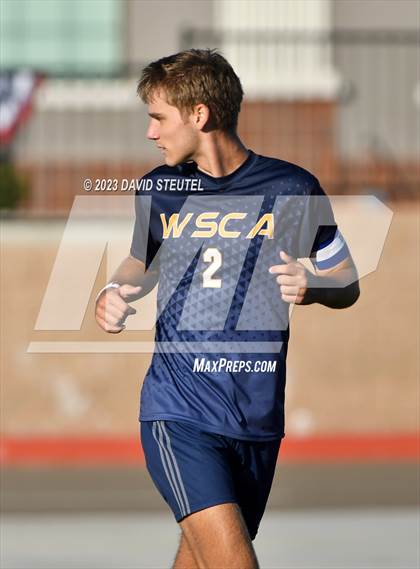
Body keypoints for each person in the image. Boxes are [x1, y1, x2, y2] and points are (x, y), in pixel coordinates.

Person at [95, 49, 359, 569]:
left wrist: (316, 286)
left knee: (201, 560)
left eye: (158, 117)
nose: (151, 133)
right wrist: (114, 290)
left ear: (200, 114)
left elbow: (347, 280)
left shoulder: (294, 188)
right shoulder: (159, 190)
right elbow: (141, 261)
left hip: (257, 420)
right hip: (179, 413)